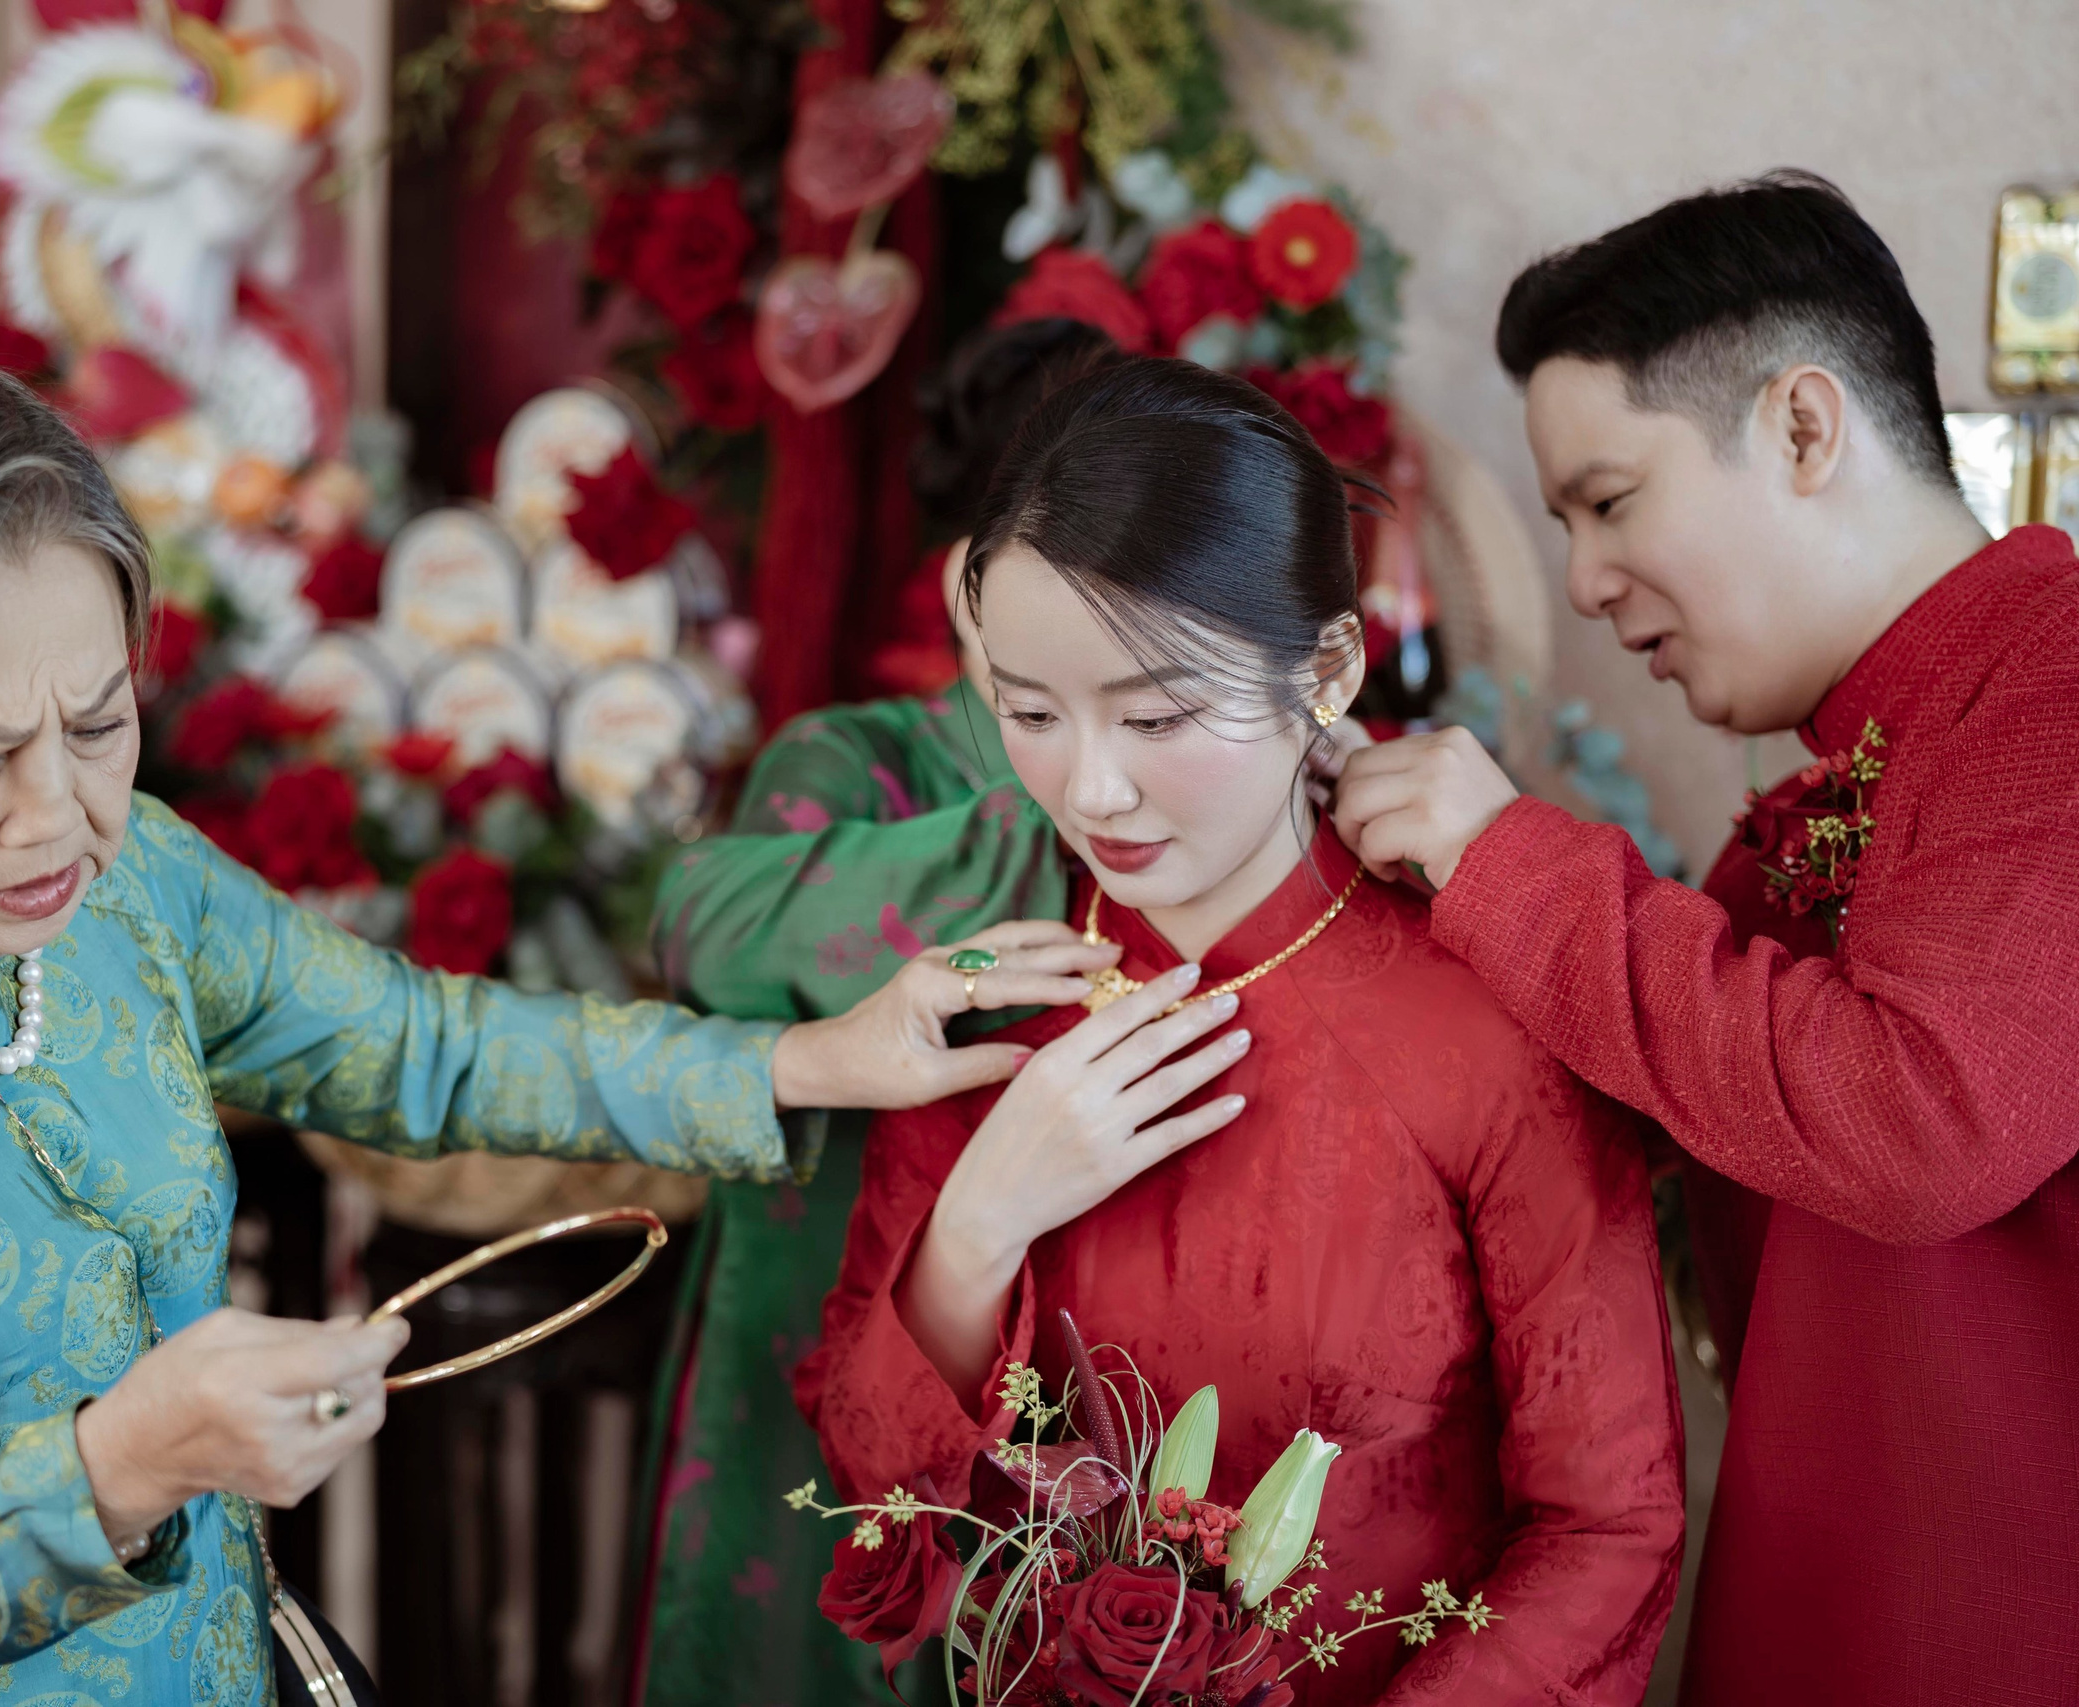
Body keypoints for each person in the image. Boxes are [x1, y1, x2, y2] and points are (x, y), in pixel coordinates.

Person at [0, 356, 1062, 1705]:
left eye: (99, 722)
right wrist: (121, 1468)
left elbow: (418, 1046)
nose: (60, 816)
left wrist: (803, 1060)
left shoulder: (126, 892)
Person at [803, 357, 1686, 1706]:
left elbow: (1606, 1525)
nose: (1092, 785)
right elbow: (879, 1506)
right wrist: (977, 1229)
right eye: (1029, 713)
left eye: (1157, 715)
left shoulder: (1481, 1014)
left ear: (1325, 668)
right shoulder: (988, 1000)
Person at [1329, 172, 2079, 1705]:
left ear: (1806, 429)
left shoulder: (2053, 696)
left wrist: (1502, 855)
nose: (1590, 584)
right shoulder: (1822, 795)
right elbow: (1624, 1097)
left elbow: (1922, 1118)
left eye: (1610, 503)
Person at [635, 318, 1113, 1707]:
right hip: (819, 1364)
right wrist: (1053, 797)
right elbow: (702, 926)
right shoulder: (859, 765)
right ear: (976, 590)